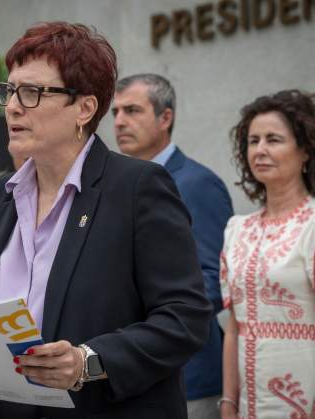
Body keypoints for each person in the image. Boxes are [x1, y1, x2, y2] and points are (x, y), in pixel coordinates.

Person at [0, 21, 212, 418]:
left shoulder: (137, 188)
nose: (12, 106)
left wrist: (88, 361)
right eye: (9, 91)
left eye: (32, 92)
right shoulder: (1, 196)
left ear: (84, 108)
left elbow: (185, 318)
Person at [220, 90, 315, 419]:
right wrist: (228, 403)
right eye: (253, 141)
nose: (260, 150)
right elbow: (234, 327)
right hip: (248, 406)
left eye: (273, 140)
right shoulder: (237, 229)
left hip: (310, 399)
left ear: (306, 151)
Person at [112, 73, 234, 419]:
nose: (119, 121)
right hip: (132, 374)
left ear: (165, 118)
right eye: (116, 112)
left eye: (132, 110)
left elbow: (214, 279)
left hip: (189, 378)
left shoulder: (197, 184)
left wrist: (144, 323)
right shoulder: (120, 184)